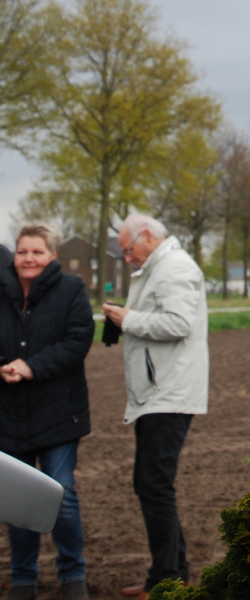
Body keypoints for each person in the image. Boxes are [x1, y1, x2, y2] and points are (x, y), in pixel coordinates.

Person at [101, 213, 208, 600]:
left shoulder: (175, 267)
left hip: (170, 392)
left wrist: (128, 318)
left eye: (128, 249)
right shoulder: (157, 268)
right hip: (159, 391)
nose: (126, 257)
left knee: (153, 484)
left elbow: (179, 323)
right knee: (152, 484)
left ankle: (167, 580)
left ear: (147, 237)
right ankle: (169, 574)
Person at [0, 223, 94, 600]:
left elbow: (77, 340)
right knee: (18, 498)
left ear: (52, 256)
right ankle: (23, 578)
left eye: (37, 252)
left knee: (62, 493)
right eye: (23, 252)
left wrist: (30, 366)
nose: (29, 259)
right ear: (14, 255)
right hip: (8, 414)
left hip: (58, 412)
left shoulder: (70, 290)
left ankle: (72, 573)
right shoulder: (1, 291)